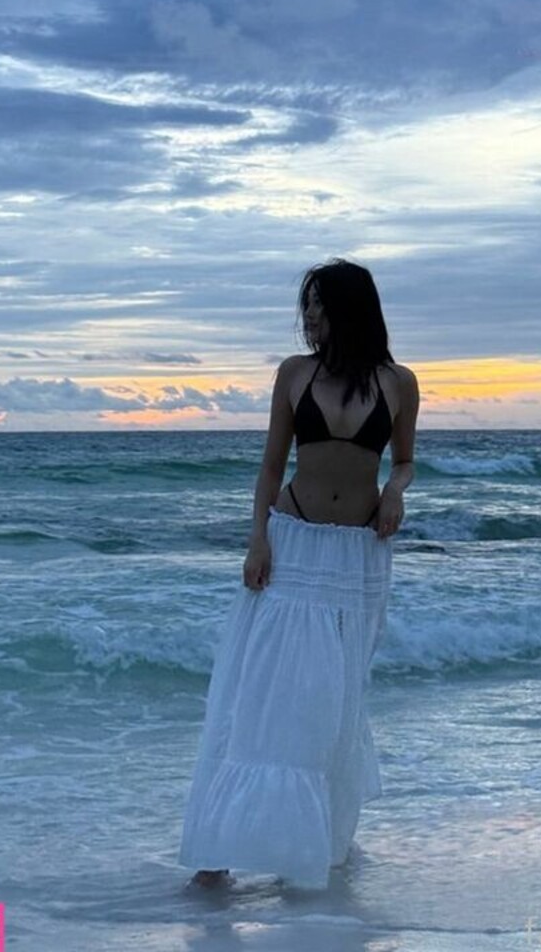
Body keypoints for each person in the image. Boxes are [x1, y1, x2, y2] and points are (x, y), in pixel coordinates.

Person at [179, 258, 419, 890]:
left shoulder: (398, 382)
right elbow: (269, 467)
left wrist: (395, 491)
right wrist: (257, 539)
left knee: (329, 703)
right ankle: (217, 852)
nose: (308, 316)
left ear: (349, 309)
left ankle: (306, 850)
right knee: (261, 691)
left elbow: (404, 460)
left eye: (318, 304)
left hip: (357, 557)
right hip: (293, 546)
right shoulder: (294, 374)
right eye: (306, 305)